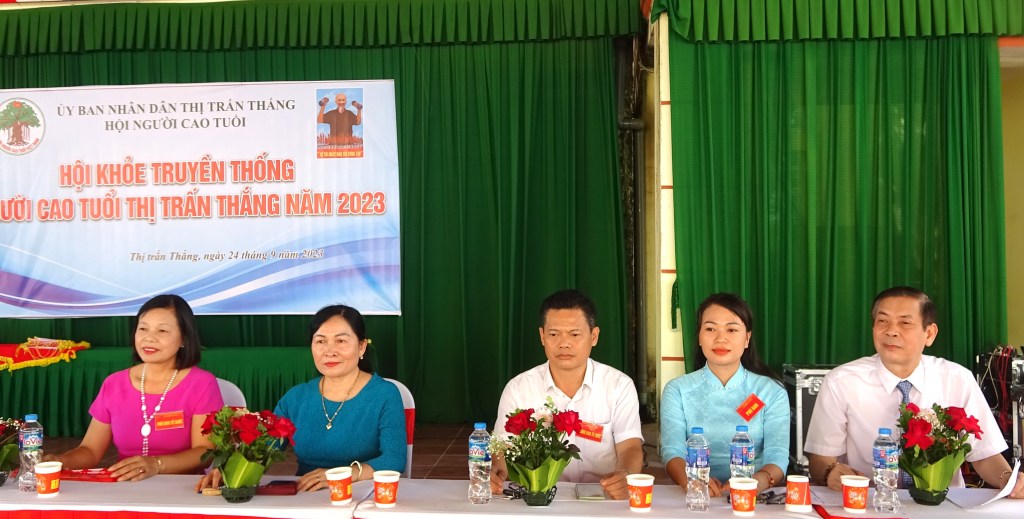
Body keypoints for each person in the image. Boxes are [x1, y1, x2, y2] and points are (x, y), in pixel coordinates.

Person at [804, 286, 1024, 498]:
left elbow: (984, 455)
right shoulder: (842, 382)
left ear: (929, 333)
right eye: (882, 321)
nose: (891, 331)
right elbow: (820, 459)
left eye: (905, 323)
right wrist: (830, 472)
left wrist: (1009, 480)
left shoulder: (957, 379)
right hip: (870, 503)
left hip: (941, 506)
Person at [198, 304, 406, 492]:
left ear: (361, 347)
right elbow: (264, 451)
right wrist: (231, 471)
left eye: (341, 341)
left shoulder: (385, 394)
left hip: (363, 494)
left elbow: (395, 458)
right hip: (307, 496)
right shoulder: (296, 397)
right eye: (321, 341)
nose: (330, 351)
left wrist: (341, 475)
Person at [46, 294, 224, 481]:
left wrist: (157, 464)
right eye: (143, 328)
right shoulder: (114, 383)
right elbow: (90, 450)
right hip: (127, 487)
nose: (149, 338)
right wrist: (60, 461)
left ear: (184, 339)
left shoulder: (202, 383)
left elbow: (205, 452)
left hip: (182, 487)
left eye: (162, 331)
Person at [489, 289, 643, 500]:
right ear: (542, 336)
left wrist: (625, 476)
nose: (564, 343)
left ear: (594, 336)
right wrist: (496, 475)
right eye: (554, 334)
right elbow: (503, 449)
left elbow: (630, 446)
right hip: (537, 500)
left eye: (574, 334)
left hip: (601, 498)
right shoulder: (518, 389)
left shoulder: (618, 386)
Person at [659, 293, 789, 497]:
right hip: (694, 495)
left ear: (747, 338)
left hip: (753, 496)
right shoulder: (677, 390)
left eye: (732, 329)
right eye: (710, 329)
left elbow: (777, 454)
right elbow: (672, 450)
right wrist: (691, 481)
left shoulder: (770, 391)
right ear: (699, 337)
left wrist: (757, 482)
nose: (720, 338)